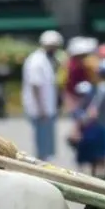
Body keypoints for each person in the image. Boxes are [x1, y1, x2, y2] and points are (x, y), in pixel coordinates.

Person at [23, 30, 63, 161]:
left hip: (46, 109)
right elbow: (35, 85)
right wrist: (41, 109)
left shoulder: (45, 59)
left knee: (47, 144)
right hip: (41, 110)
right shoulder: (37, 60)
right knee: (43, 145)